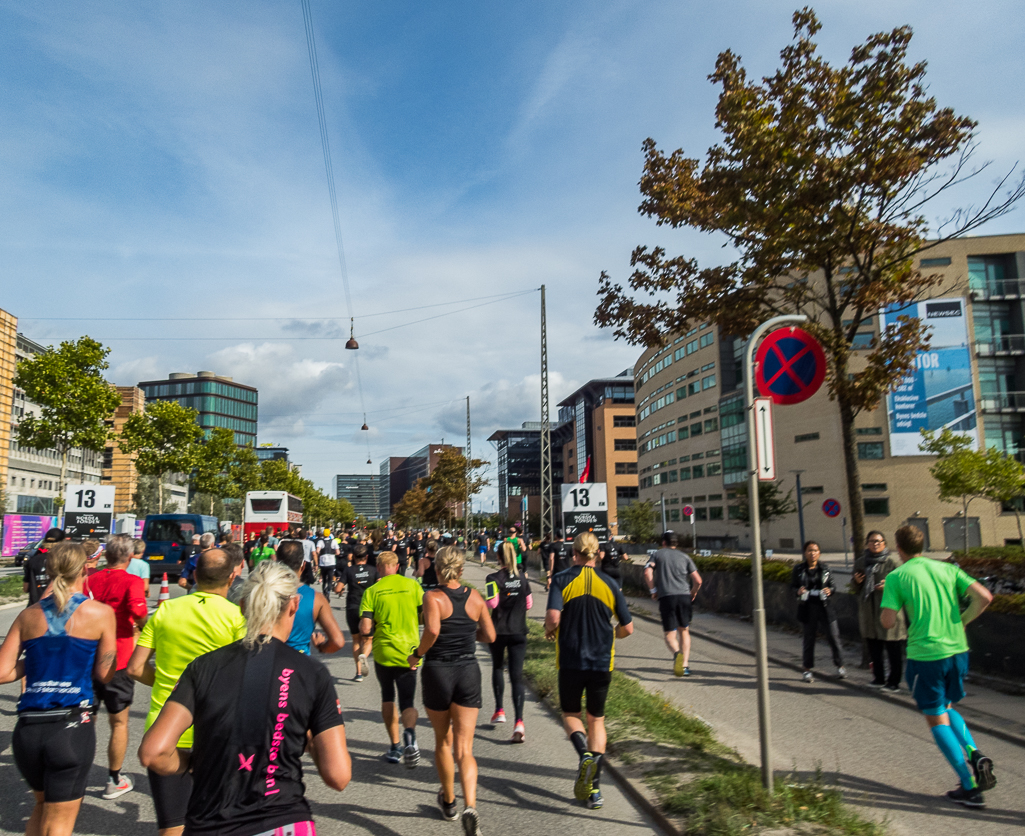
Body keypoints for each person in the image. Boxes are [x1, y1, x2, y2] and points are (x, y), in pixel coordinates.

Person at [139, 561, 351, 836]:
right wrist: (308, 740)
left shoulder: (203, 667)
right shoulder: (312, 674)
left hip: (211, 821)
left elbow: (153, 753)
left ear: (241, 607)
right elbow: (338, 776)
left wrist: (193, 764)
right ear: (294, 606)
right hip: (284, 820)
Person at [0, 542, 118, 836]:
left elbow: (2, 673)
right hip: (70, 728)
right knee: (60, 824)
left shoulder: (28, 615)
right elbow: (104, 673)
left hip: (28, 730)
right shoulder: (100, 613)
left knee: (41, 810)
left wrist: (37, 663)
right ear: (84, 569)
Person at [127, 549, 247, 836]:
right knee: (221, 821)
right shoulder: (237, 617)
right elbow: (247, 673)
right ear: (233, 577)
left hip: (167, 730)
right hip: (219, 731)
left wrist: (166, 683)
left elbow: (134, 668)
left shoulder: (167, 611)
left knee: (172, 824)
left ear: (194, 575)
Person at [880, 525, 995, 807]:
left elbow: (886, 621)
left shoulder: (897, 576)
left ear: (899, 548)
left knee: (934, 716)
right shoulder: (948, 569)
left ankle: (969, 786)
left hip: (926, 654)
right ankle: (973, 752)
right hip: (957, 649)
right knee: (948, 707)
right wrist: (961, 621)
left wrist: (889, 598)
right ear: (923, 545)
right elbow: (985, 597)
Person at [545, 532, 633, 810]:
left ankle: (584, 754)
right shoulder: (609, 583)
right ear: (598, 554)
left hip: (570, 659)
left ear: (574, 553)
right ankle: (595, 790)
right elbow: (628, 628)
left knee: (570, 715)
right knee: (597, 720)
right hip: (601, 662)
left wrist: (551, 630)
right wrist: (612, 634)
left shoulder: (561, 579)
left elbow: (552, 618)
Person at [410, 547, 495, 833]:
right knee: (465, 748)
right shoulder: (475, 598)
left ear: (437, 569)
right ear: (461, 570)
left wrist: (417, 655)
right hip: (468, 671)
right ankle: (471, 804)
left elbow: (432, 630)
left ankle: (449, 803)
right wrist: (471, 633)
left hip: (438, 671)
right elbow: (491, 635)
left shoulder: (432, 597)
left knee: (443, 741)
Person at [87, 534, 150, 800]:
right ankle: (114, 779)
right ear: (128, 556)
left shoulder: (90, 579)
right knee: (119, 722)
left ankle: (77, 772)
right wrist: (147, 629)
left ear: (106, 555)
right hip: (118, 659)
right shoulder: (132, 582)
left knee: (86, 719)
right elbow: (140, 614)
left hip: (89, 657)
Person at [359, 551, 425, 767]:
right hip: (410, 653)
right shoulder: (413, 586)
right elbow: (423, 615)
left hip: (384, 652)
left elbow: (366, 627)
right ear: (397, 567)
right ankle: (410, 735)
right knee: (408, 701)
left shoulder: (372, 591)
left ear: (378, 567)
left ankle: (395, 746)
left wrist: (366, 635)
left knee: (388, 697)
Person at [485, 541, 532, 740]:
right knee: (517, 676)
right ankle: (519, 722)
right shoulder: (523, 578)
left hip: (498, 630)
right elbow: (529, 604)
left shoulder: (492, 578)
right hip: (519, 630)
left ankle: (499, 710)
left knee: (497, 667)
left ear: (498, 557)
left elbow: (492, 602)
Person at [852, 530, 907, 691]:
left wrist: (887, 587)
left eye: (878, 541)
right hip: (869, 610)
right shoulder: (861, 562)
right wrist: (856, 582)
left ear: (884, 543)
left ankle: (894, 682)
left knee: (893, 649)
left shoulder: (893, 563)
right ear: (867, 544)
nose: (875, 544)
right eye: (872, 541)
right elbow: (857, 588)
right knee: (874, 648)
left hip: (888, 611)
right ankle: (878, 678)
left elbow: (903, 588)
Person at [645, 530, 702, 677]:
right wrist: (693, 593)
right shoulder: (685, 557)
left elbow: (647, 572)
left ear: (664, 542)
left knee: (670, 634)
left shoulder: (657, 555)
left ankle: (677, 654)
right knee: (684, 630)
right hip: (684, 596)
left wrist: (653, 590)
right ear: (676, 543)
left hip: (667, 597)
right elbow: (698, 580)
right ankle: (685, 666)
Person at [275, 541, 345, 656]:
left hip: (268, 660)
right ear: (303, 566)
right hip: (299, 661)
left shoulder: (262, 592)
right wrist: (321, 647)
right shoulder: (316, 598)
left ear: (277, 564)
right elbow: (337, 641)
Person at [791, 541, 846, 682]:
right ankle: (807, 670)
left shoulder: (825, 569)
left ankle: (840, 666)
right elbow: (792, 587)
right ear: (804, 553)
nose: (812, 553)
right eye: (809, 550)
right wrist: (798, 591)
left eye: (815, 550)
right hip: (808, 608)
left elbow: (833, 586)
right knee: (809, 640)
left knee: (834, 637)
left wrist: (830, 590)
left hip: (825, 607)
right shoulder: (798, 569)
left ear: (819, 553)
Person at [335, 543, 378, 681]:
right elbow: (379, 584)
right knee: (368, 638)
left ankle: (358, 673)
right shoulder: (373, 570)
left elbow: (337, 588)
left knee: (356, 639)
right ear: (366, 556)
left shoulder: (349, 570)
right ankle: (364, 655)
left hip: (353, 606)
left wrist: (340, 587)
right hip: (368, 607)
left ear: (353, 557)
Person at [23, 527, 66, 605]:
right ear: (62, 542)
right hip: (56, 608)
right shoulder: (64, 561)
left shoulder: (32, 561)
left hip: (34, 608)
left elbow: (26, 588)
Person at [317, 528, 339, 600]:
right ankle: (328, 591)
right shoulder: (334, 542)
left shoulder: (320, 541)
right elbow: (338, 552)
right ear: (329, 534)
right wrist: (333, 553)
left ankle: (324, 592)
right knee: (330, 579)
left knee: (324, 579)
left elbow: (317, 551)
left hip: (323, 562)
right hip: (331, 562)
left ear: (323, 534)